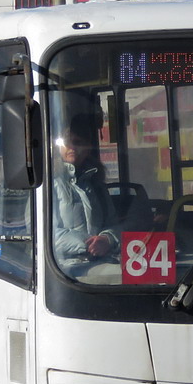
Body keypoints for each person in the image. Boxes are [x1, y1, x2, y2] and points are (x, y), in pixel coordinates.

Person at [52, 115, 119, 271]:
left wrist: (107, 239)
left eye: (78, 143)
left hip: (102, 263)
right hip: (63, 269)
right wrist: (89, 244)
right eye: (66, 142)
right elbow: (42, 235)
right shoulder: (48, 185)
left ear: (88, 147)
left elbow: (114, 224)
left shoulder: (96, 185)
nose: (72, 148)